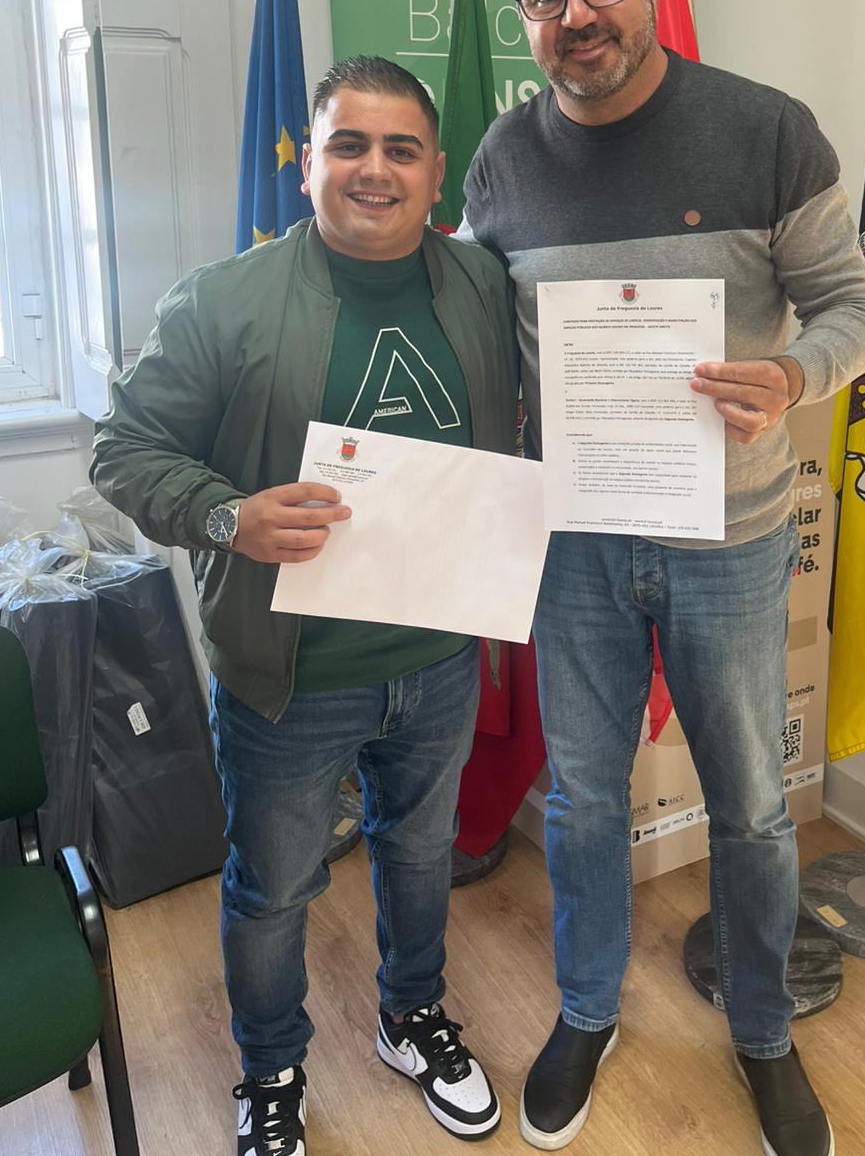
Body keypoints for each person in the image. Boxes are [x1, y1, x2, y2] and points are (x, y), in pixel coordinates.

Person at [461, 0, 865, 1156]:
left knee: (752, 806)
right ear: (524, 13)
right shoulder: (501, 160)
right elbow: (476, 328)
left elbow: (857, 311)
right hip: (575, 549)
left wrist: (792, 376)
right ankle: (587, 1011)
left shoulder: (766, 132)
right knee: (584, 802)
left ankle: (763, 1029)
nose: (577, 14)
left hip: (732, 545)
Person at [93, 57, 517, 1155]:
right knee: (274, 889)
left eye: (401, 150)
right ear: (308, 163)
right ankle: (272, 1066)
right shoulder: (222, 300)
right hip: (289, 675)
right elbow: (122, 449)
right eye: (349, 144)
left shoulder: (482, 284)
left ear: (436, 174)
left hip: (438, 659)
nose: (375, 170)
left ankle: (411, 1018)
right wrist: (227, 514)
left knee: (419, 856)